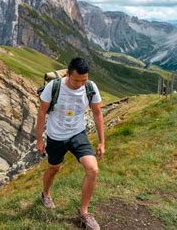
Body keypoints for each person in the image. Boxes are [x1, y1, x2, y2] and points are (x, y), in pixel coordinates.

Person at [36, 57, 105, 230]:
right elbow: (42, 113)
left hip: (77, 134)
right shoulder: (54, 87)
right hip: (56, 136)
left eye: (84, 80)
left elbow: (97, 113)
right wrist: (39, 140)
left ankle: (84, 212)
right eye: (76, 80)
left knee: (93, 169)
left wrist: (102, 142)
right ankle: (45, 194)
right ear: (67, 74)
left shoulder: (90, 87)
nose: (80, 84)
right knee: (54, 169)